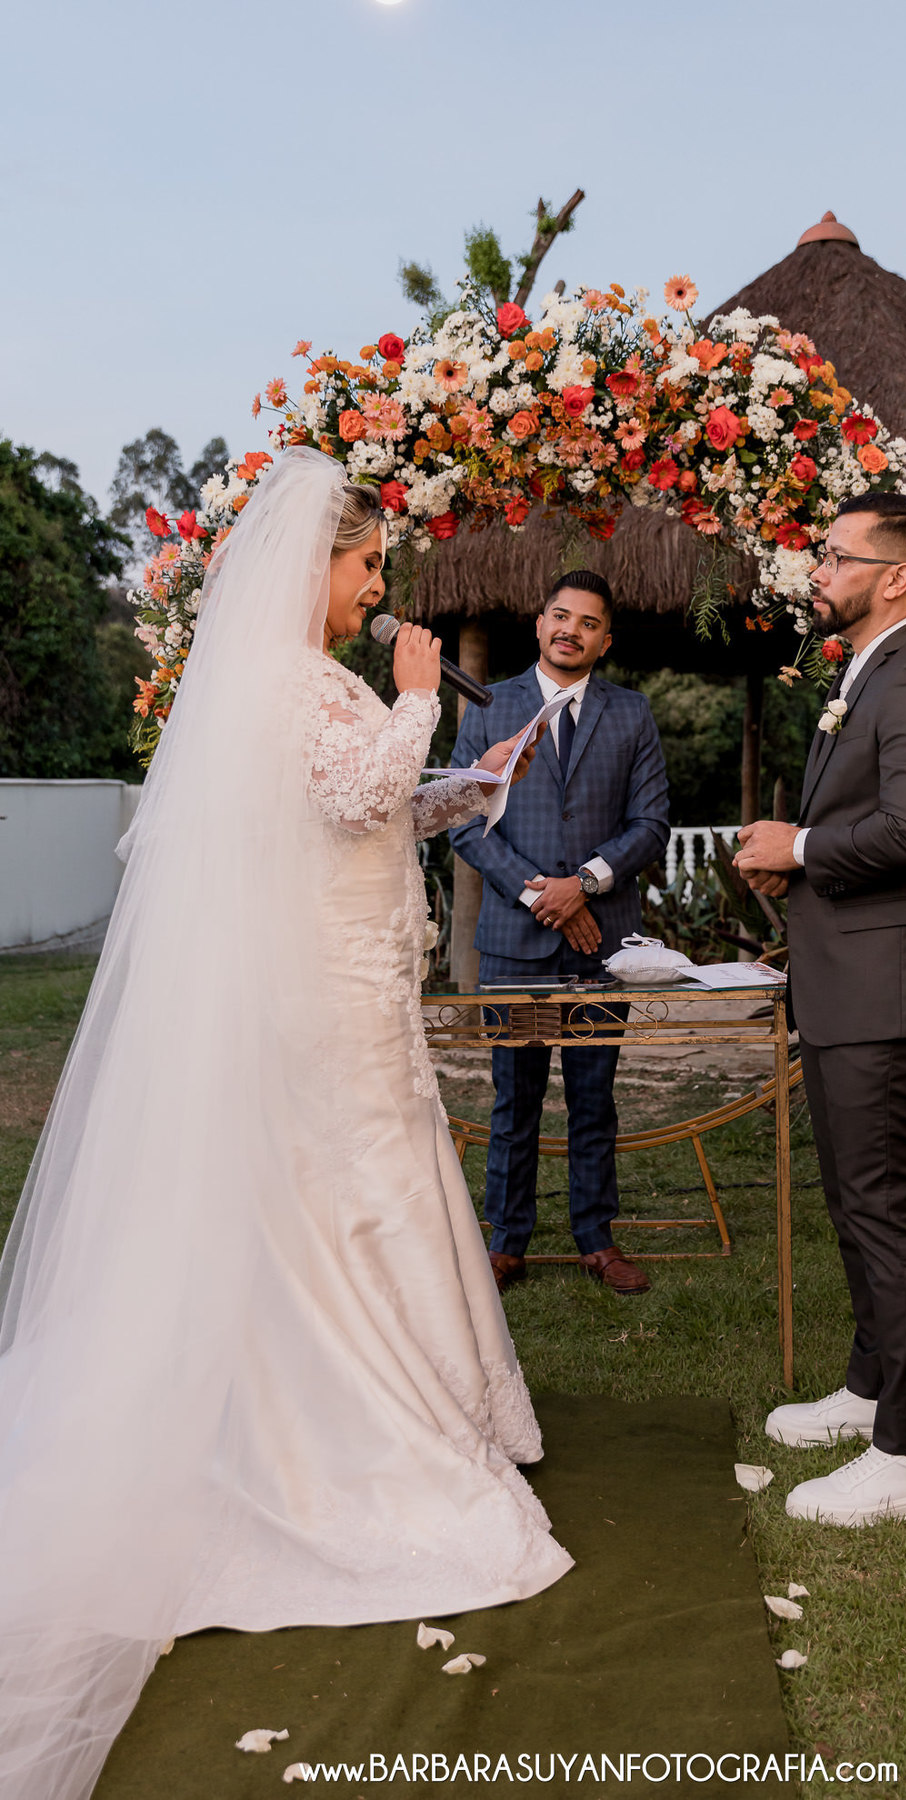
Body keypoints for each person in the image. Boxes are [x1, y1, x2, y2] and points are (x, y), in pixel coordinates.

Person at [0, 450, 572, 1800]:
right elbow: (351, 793)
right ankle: (347, 1425)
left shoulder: (300, 682)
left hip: (351, 975)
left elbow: (362, 814)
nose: (377, 588)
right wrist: (420, 699)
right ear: (316, 563)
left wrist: (465, 784)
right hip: (324, 997)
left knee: (373, 1181)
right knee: (352, 1186)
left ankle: (413, 1398)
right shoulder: (284, 679)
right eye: (368, 566)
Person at [735, 493, 906, 1528]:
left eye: (837, 556)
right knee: (856, 1203)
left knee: (889, 1210)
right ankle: (871, 1387)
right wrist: (796, 865)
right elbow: (868, 826)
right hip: (853, 984)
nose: (818, 570)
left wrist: (797, 846)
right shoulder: (872, 672)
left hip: (892, 992)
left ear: (896, 577)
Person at [450, 572, 670, 1296]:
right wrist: (541, 892)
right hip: (515, 941)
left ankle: (596, 1240)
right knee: (513, 1100)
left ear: (606, 640)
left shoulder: (632, 713)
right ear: (539, 624)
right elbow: (462, 819)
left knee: (594, 1097)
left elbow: (651, 824)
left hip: (601, 942)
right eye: (560, 615)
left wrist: (586, 884)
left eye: (588, 622)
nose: (571, 629)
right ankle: (506, 1242)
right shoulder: (488, 706)